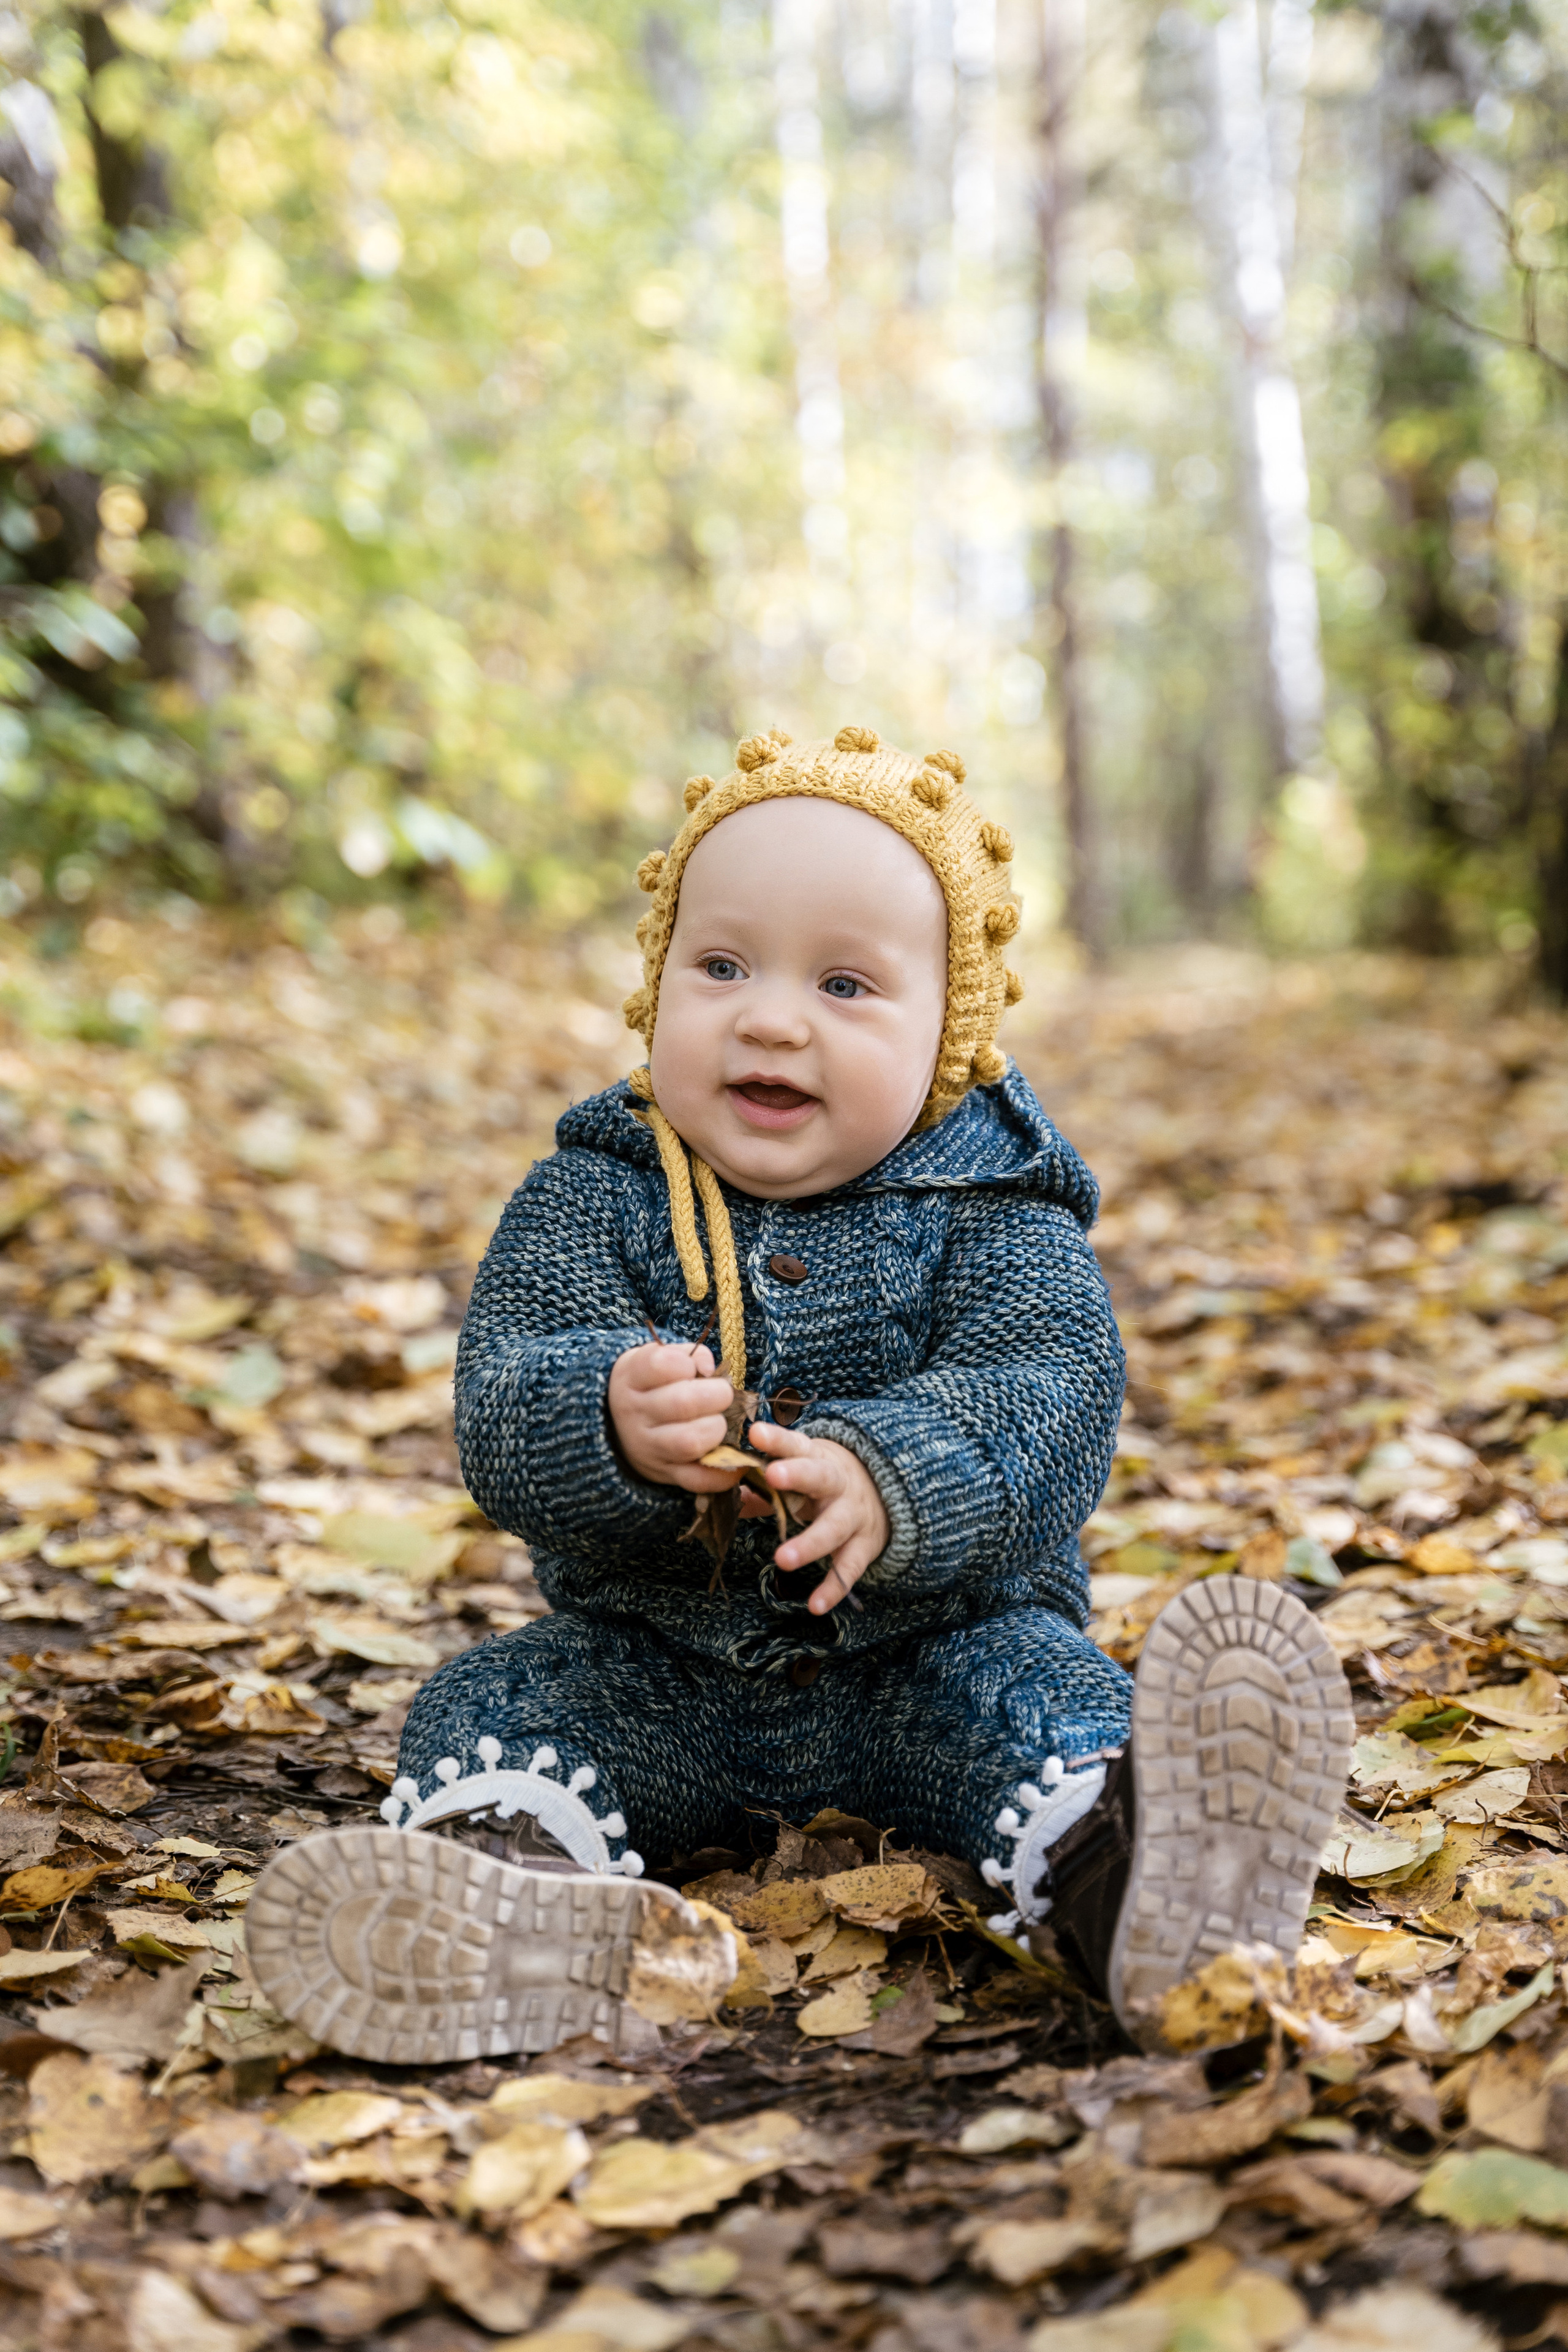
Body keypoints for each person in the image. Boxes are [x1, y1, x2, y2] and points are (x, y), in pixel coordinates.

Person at [249, 726, 1351, 2065]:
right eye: (720, 967)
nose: (770, 1017)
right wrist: (601, 1417)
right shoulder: (588, 1197)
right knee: (492, 1707)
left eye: (843, 983)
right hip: (652, 1667)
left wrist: (899, 1474)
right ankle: (505, 1902)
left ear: (950, 1035)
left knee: (1059, 1719)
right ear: (656, 988)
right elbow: (497, 1396)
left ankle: (1142, 1894)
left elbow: (1050, 1394)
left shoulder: (995, 1216)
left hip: (939, 1652)